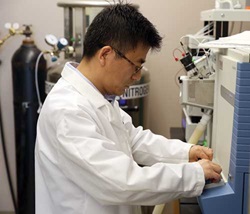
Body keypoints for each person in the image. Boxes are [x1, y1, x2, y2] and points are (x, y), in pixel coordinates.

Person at [35, 2, 222, 214]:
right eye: (136, 65)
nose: (137, 76)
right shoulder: (67, 110)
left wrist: (186, 152)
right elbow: (119, 182)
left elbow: (133, 139)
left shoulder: (100, 97)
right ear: (105, 54)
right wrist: (193, 175)